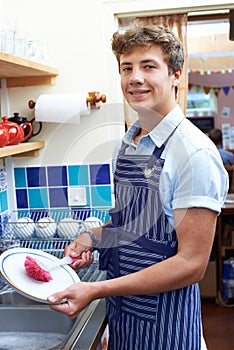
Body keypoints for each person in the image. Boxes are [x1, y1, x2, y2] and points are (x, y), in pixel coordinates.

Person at [48, 22, 228, 350]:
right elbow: (129, 228)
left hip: (168, 331)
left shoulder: (194, 153)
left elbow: (191, 264)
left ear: (175, 74)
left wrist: (95, 290)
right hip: (125, 322)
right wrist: (90, 238)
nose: (135, 78)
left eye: (148, 66)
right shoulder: (130, 142)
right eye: (126, 67)